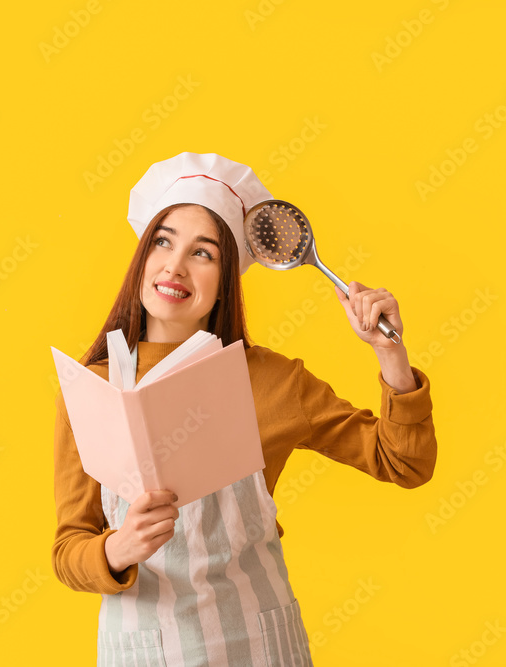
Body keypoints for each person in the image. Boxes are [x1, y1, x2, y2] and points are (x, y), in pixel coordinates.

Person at [52, 152, 437, 666]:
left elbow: (404, 462)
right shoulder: (91, 389)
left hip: (259, 649)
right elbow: (68, 550)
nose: (175, 265)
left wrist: (390, 352)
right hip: (145, 652)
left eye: (203, 253)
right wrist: (117, 549)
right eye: (163, 241)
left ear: (225, 278)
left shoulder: (272, 382)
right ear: (142, 258)